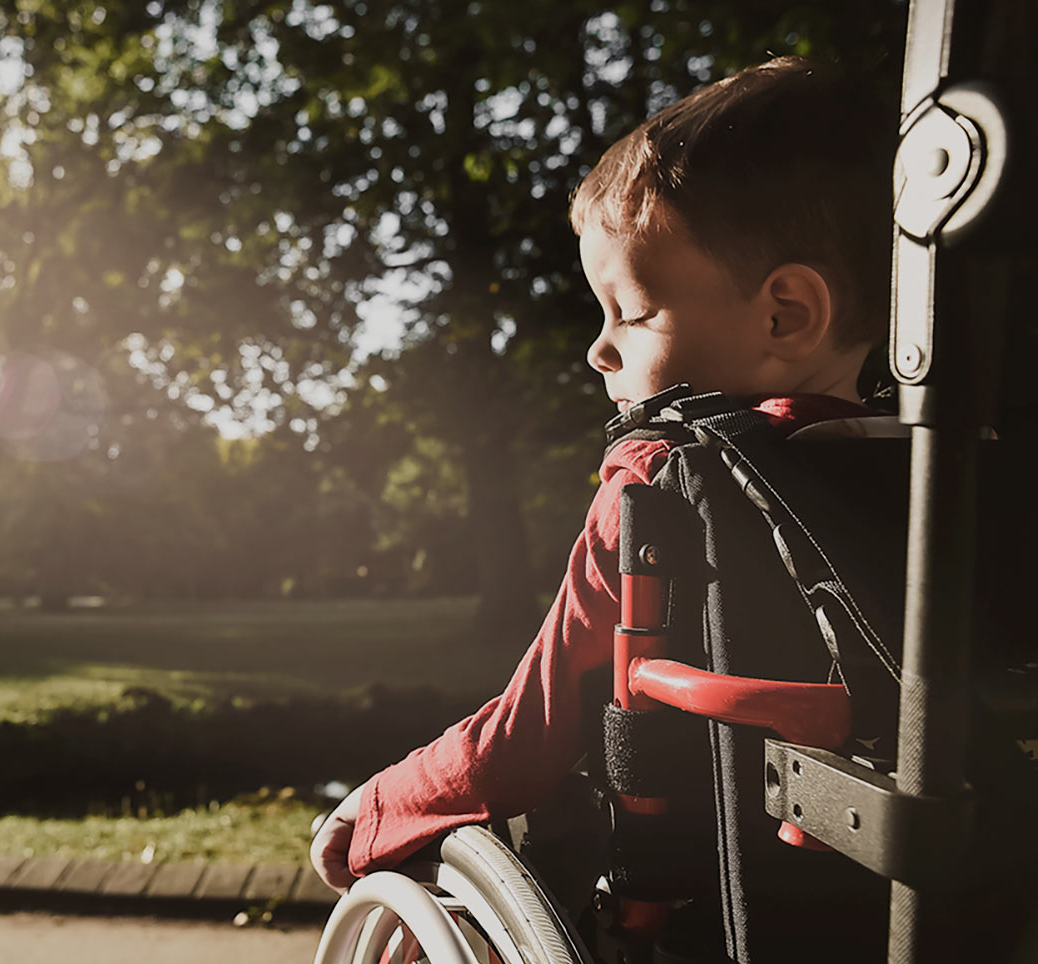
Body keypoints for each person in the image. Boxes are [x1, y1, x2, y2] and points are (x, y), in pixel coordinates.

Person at [311, 55, 895, 892]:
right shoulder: (937, 471)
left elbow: (526, 732)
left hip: (709, 904)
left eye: (632, 310)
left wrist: (380, 810)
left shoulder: (664, 481)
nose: (599, 348)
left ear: (786, 314)